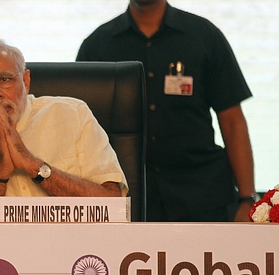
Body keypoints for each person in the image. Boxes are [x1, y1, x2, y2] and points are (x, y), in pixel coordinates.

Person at [77, 0, 256, 222]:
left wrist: (247, 199)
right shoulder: (98, 44)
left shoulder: (204, 36)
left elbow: (232, 122)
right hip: (128, 198)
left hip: (202, 195)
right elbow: (82, 129)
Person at [0, 38, 127, 222]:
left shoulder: (72, 114)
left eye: (5, 79)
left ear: (25, 81)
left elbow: (113, 205)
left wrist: (33, 165)